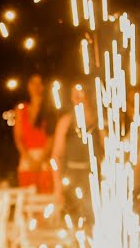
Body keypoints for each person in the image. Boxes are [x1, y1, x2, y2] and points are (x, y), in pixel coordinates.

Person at [51, 83, 99, 220]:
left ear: (88, 95)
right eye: (74, 95)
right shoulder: (66, 122)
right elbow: (56, 156)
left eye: (80, 94)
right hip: (72, 180)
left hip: (95, 178)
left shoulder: (99, 121)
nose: (77, 98)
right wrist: (58, 186)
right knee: (74, 221)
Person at [14, 73, 54, 194]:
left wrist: (40, 160)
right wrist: (29, 160)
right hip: (27, 160)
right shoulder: (21, 110)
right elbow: (18, 137)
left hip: (45, 159)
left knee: (45, 198)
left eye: (39, 83)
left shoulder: (49, 109)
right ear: (28, 86)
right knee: (28, 199)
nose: (36, 86)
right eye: (33, 83)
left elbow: (51, 137)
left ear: (43, 87)